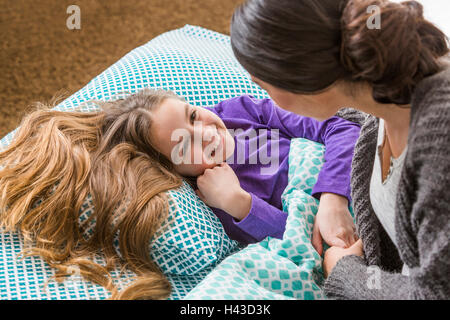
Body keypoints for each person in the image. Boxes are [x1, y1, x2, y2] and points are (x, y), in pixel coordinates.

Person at [0, 88, 360, 299]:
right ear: (172, 170)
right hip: (346, 232)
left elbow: (340, 125)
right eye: (184, 145)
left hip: (352, 177)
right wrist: (240, 204)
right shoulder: (212, 196)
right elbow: (297, 242)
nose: (204, 133)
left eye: (192, 115)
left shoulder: (240, 111)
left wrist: (332, 197)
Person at [230, 0, 450, 299]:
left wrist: (346, 271)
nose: (266, 98)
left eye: (263, 85)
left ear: (298, 76)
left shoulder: (437, 146)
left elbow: (434, 295)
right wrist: (332, 197)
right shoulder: (383, 98)